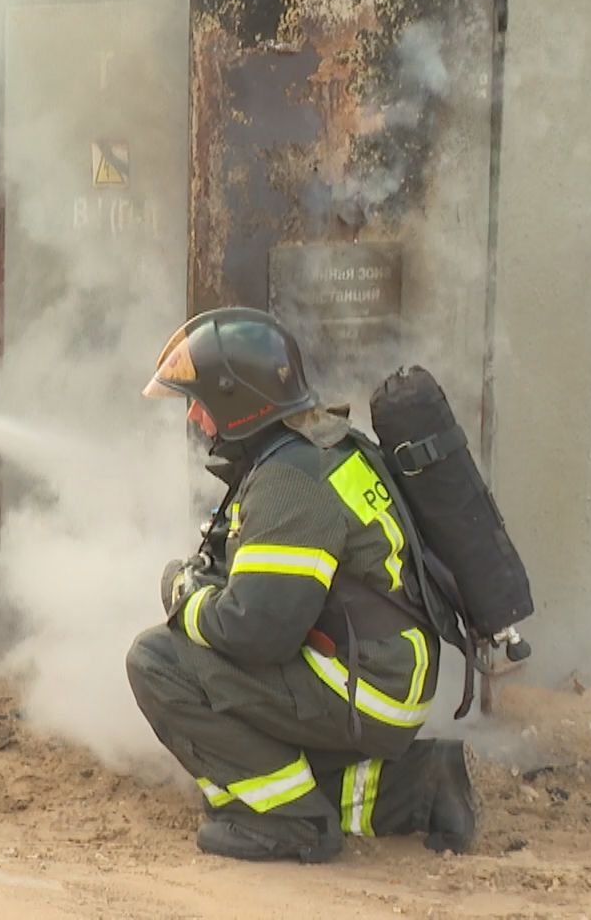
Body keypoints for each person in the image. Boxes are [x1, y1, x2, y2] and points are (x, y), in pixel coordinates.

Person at [124, 306, 479, 863]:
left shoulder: (290, 482)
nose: (194, 417)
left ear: (238, 400)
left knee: (156, 660)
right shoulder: (319, 446)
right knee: (265, 748)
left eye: (200, 401)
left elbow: (256, 633)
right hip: (382, 674)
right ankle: (419, 786)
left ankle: (289, 824)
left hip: (365, 685)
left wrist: (183, 594)